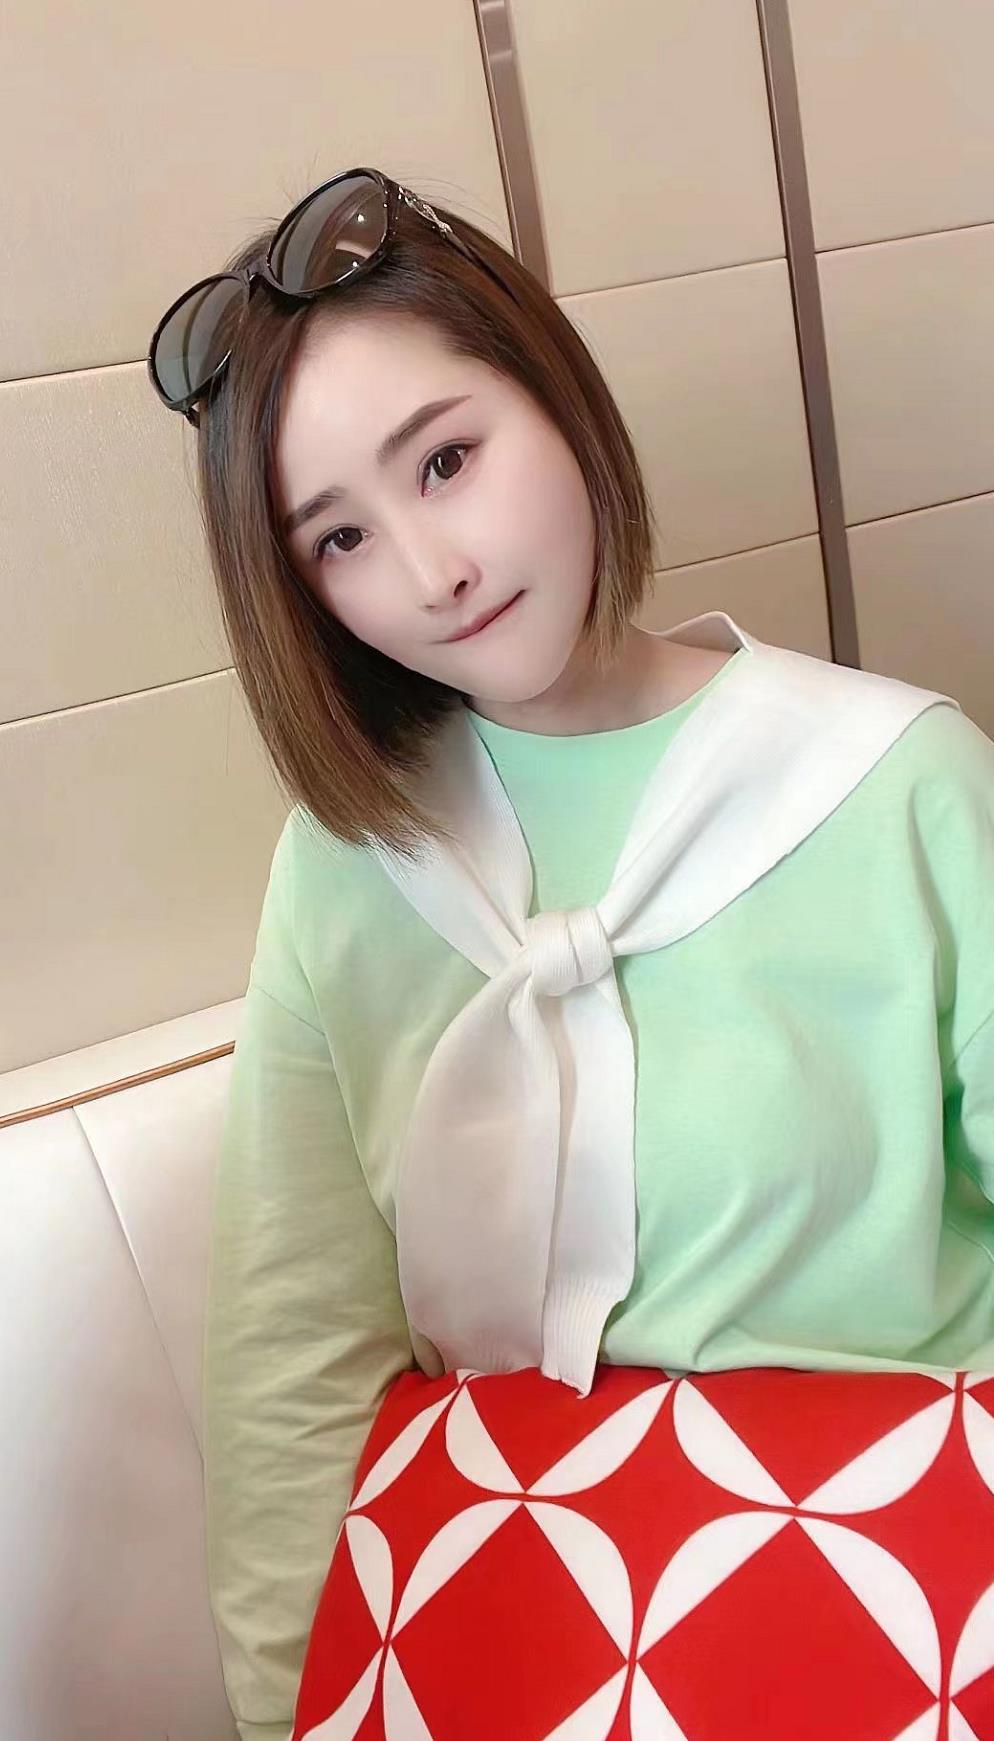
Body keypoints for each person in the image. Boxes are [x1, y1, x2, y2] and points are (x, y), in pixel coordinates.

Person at [147, 167, 994, 1741]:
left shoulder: (900, 782)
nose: (432, 571)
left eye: (447, 459)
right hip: (513, 1643)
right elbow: (295, 1364)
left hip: (902, 1611)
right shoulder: (350, 867)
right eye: (340, 538)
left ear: (553, 389)